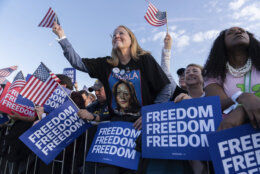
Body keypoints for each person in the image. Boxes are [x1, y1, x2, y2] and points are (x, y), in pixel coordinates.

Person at [52, 22, 171, 174]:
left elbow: (166, 87)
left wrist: (151, 114)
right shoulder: (106, 64)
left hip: (139, 128)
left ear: (131, 39)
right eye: (114, 34)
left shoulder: (144, 59)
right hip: (114, 130)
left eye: (121, 33)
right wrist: (62, 37)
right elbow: (78, 62)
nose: (116, 36)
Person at [203, 26, 260, 130]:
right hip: (235, 135)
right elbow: (218, 105)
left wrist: (241, 111)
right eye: (231, 33)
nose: (238, 32)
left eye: (242, 31)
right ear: (222, 43)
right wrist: (242, 97)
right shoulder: (213, 74)